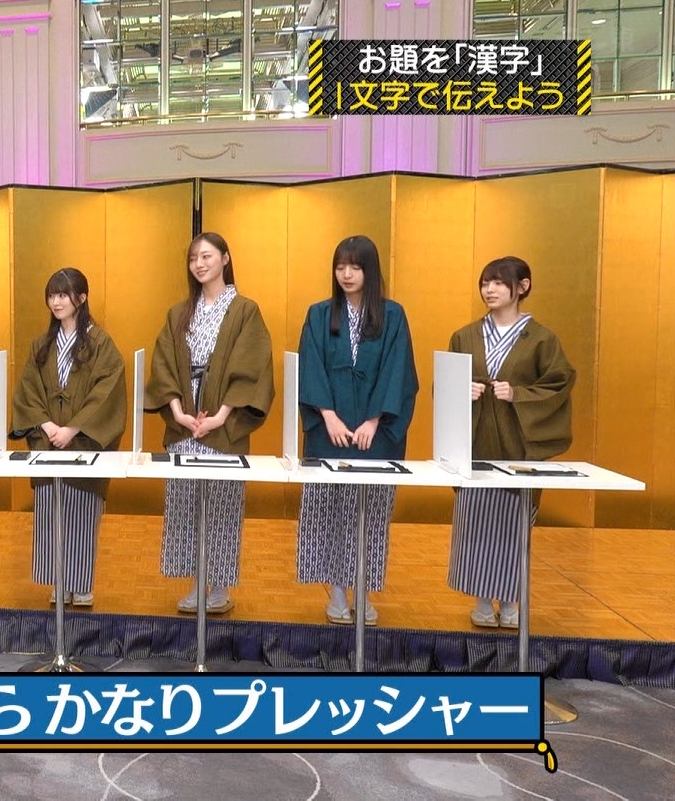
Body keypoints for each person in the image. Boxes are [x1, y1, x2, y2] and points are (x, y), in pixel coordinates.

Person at [145, 233, 274, 614]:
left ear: (225, 259)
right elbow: (164, 364)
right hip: (185, 421)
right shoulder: (179, 312)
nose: (199, 264)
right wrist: (178, 412)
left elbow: (251, 365)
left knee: (222, 505)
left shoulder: (245, 311)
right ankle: (195, 582)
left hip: (223, 422)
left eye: (206, 256)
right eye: (193, 259)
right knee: (185, 505)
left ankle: (218, 586)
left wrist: (220, 415)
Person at [296, 236, 418, 625]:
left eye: (355, 267)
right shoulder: (319, 314)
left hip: (374, 435)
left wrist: (374, 420)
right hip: (328, 431)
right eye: (340, 267)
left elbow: (399, 371)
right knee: (330, 513)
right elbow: (310, 365)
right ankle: (336, 592)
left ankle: (363, 592)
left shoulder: (392, 315)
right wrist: (327, 415)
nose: (346, 274)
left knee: (370, 516)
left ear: (371, 270)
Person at [447, 256, 575, 628]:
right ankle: (482, 600)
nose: (490, 290)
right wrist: (461, 389)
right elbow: (446, 380)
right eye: (485, 282)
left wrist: (518, 393)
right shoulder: (465, 336)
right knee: (476, 523)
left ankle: (511, 601)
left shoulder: (543, 339)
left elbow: (559, 384)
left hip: (519, 446)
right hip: (476, 444)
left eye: (499, 283)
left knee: (514, 525)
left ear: (522, 286)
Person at [12, 267, 127, 607]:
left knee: (81, 513)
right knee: (50, 512)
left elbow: (107, 392)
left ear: (82, 297)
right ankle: (59, 582)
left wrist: (73, 428)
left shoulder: (101, 344)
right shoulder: (41, 345)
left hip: (83, 443)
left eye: (63, 295)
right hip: (48, 442)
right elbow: (28, 391)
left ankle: (81, 584)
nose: (56, 302)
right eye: (52, 295)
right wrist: (48, 427)